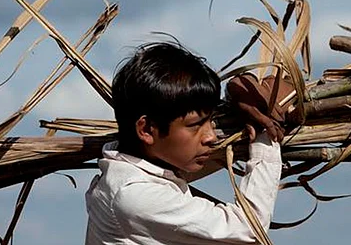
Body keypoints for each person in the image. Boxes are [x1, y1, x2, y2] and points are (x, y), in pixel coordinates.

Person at [85, 40, 283, 244]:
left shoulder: (145, 165)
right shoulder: (134, 195)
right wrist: (265, 134)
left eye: (211, 120)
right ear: (145, 129)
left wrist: (240, 88)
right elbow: (248, 229)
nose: (211, 137)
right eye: (195, 125)